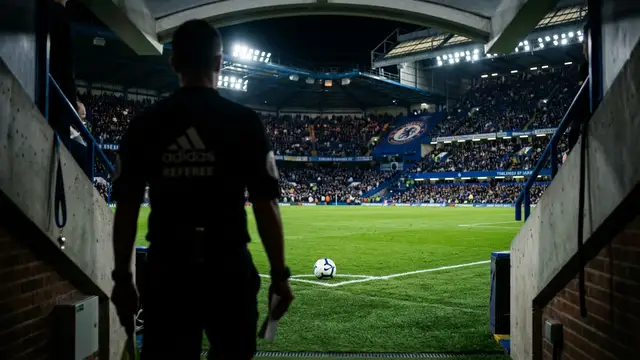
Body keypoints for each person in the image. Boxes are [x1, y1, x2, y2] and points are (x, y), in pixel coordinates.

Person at [110, 19, 294, 360]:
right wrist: (280, 275)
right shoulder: (244, 122)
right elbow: (266, 205)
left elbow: (127, 208)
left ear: (174, 63)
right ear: (220, 63)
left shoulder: (147, 123)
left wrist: (123, 278)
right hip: (228, 268)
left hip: (169, 270)